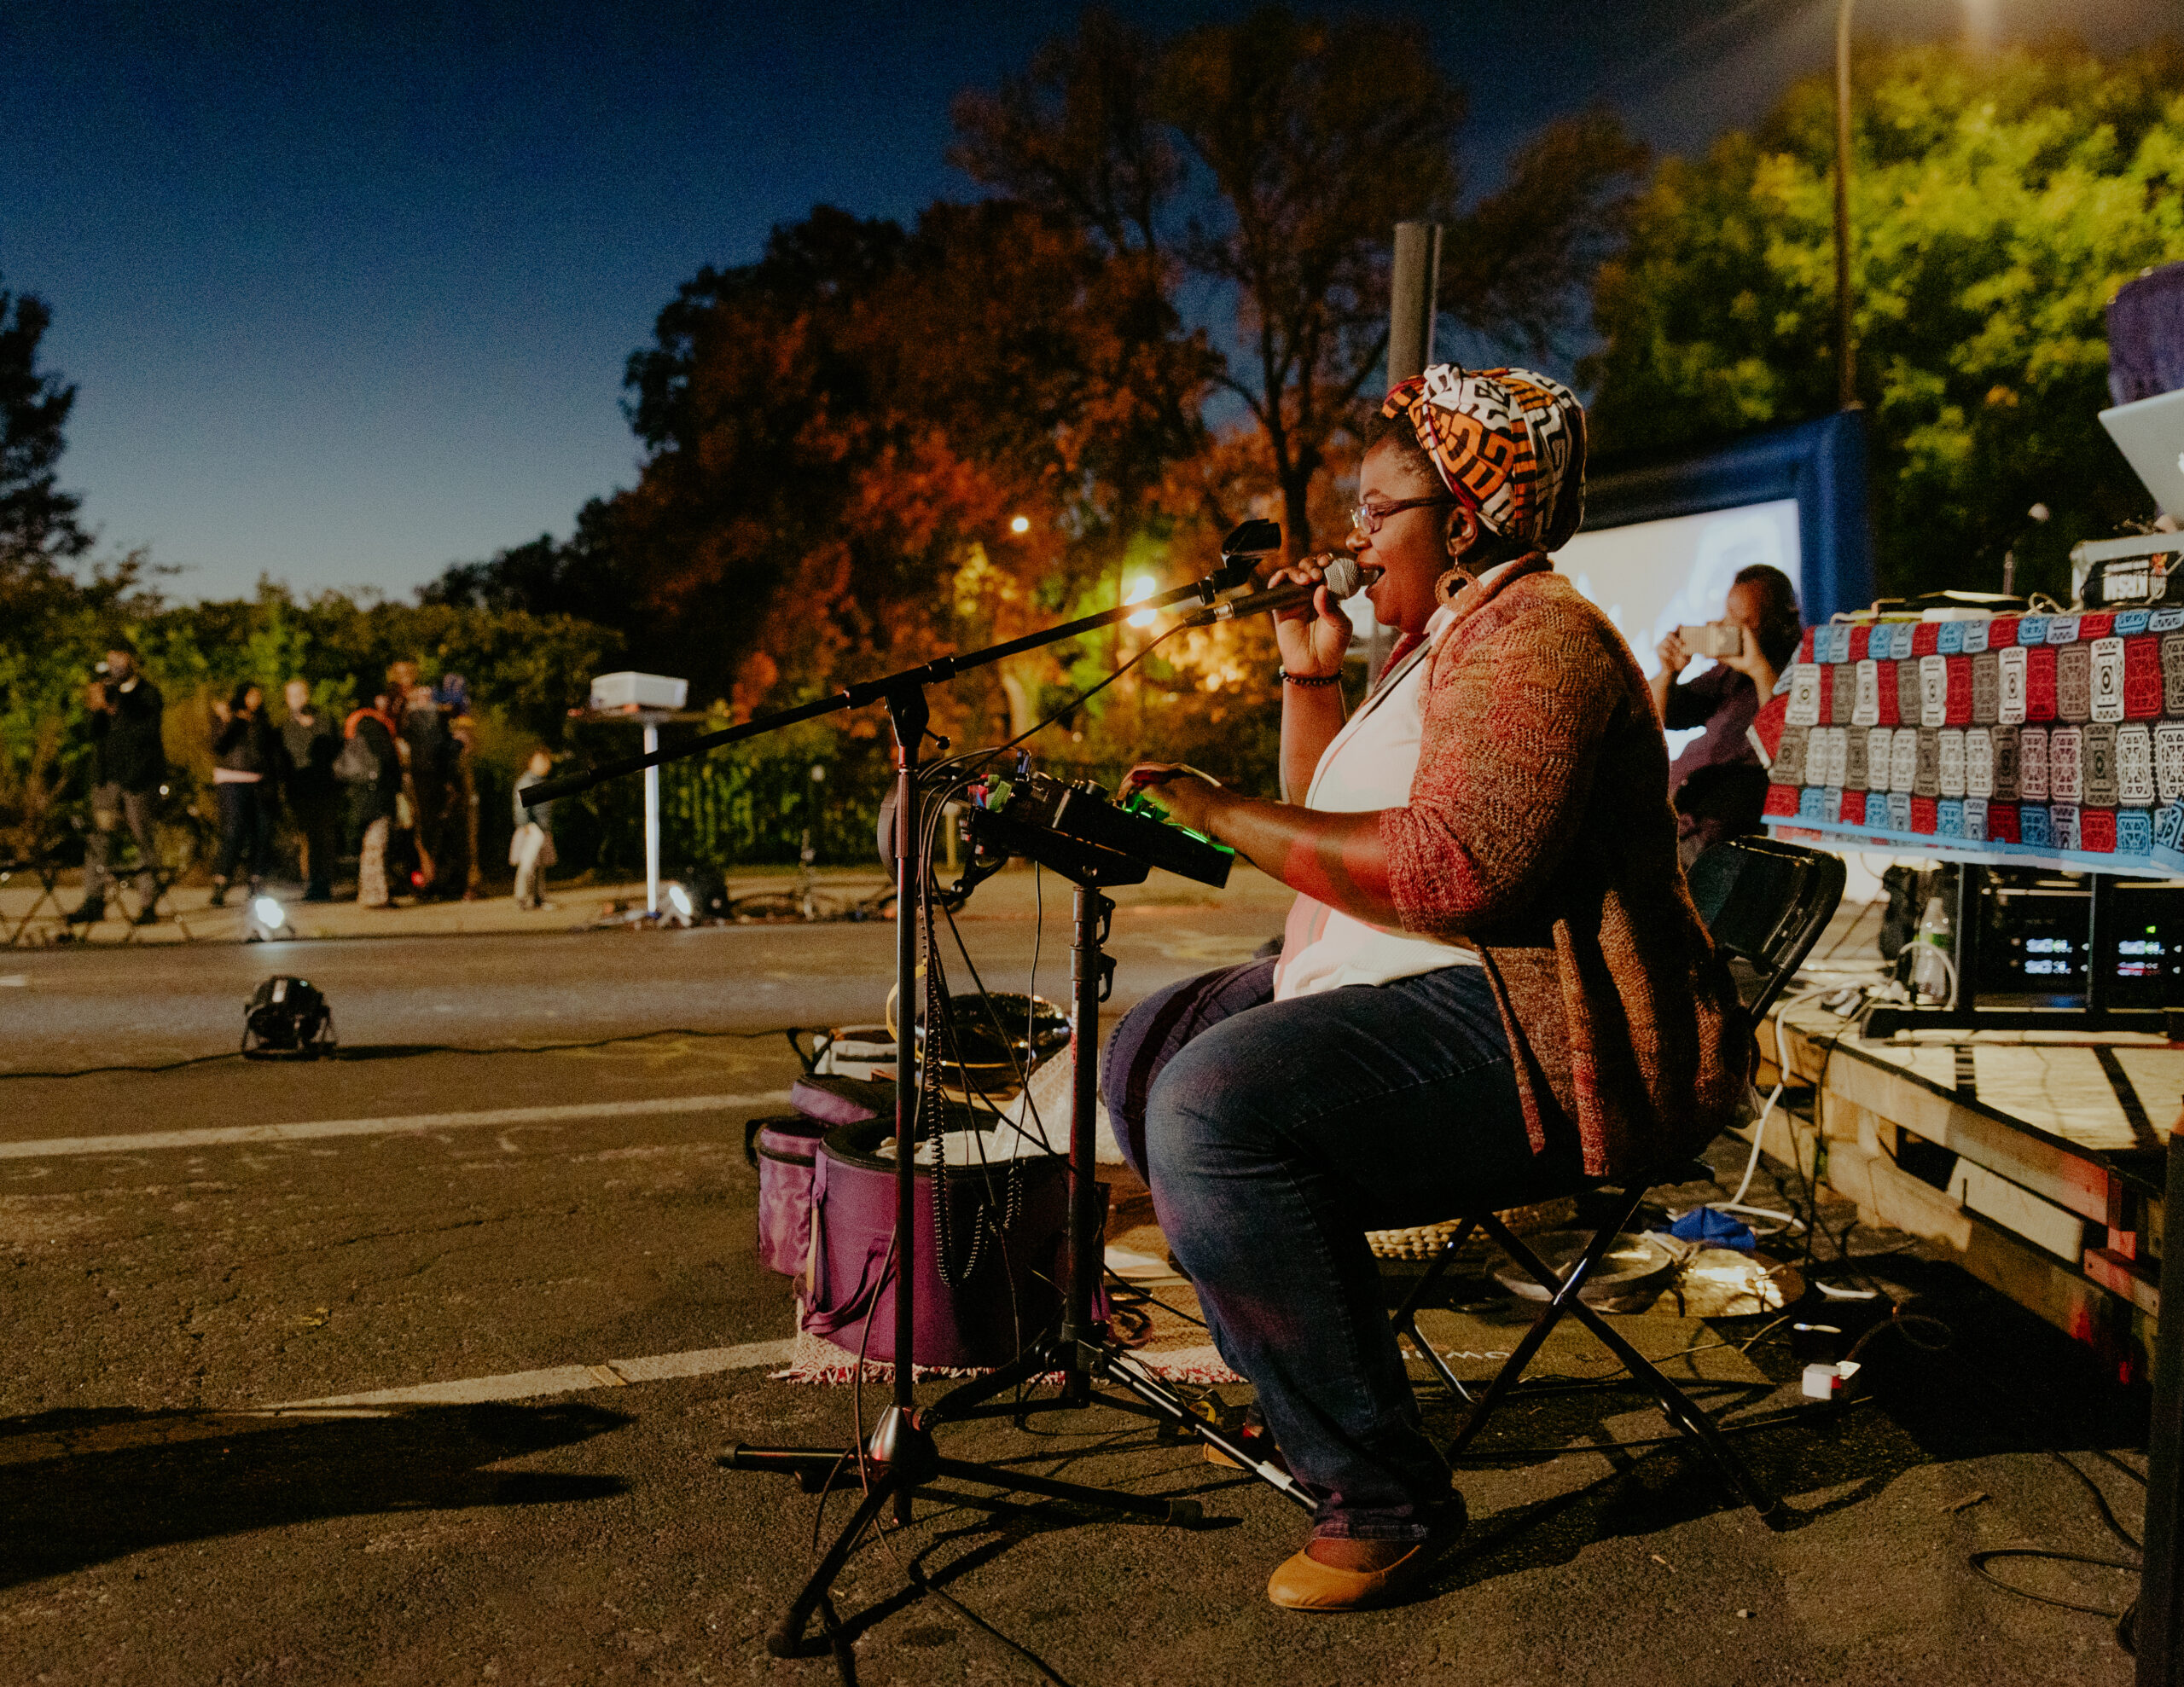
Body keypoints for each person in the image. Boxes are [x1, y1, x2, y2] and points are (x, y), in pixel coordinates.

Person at [1102, 364, 1743, 1612]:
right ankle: (1298, 1358)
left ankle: (1383, 1492)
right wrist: (1306, 672)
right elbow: (1338, 823)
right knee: (1147, 1049)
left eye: (1376, 507)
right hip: (1412, 982)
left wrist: (1222, 810)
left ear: (1470, 516)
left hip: (1537, 1026)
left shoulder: (1541, 636)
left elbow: (1456, 867)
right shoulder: (1436, 646)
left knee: (1212, 1105)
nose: (1350, 538)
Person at [1651, 565, 1804, 867]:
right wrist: (1667, 671)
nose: (1725, 626)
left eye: (1742, 621)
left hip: (1714, 840)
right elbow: (1658, 720)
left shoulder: (1801, 674)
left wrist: (1759, 670)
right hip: (1674, 820)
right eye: (1726, 615)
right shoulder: (1728, 675)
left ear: (1779, 623)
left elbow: (1787, 753)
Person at [66, 640, 166, 926]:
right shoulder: (106, 691)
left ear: (132, 659)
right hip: (107, 779)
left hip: (138, 780)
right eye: (110, 659)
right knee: (99, 838)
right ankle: (93, 900)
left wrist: (113, 707)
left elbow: (145, 732)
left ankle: (148, 904)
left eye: (120, 658)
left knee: (142, 839)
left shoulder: (148, 694)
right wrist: (96, 707)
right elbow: (91, 733)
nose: (115, 665)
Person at [208, 681, 276, 907]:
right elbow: (218, 745)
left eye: (258, 696)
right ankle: (221, 882)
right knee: (234, 830)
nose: (256, 700)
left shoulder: (261, 722)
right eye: (252, 695)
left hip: (258, 782)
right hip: (231, 780)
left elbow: (269, 753)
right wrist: (229, 722)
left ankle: (257, 881)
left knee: (262, 832)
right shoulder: (228, 718)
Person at [276, 678, 340, 901]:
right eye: (292, 695)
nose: (297, 700)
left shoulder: (325, 720)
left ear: (308, 694)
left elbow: (337, 749)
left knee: (324, 836)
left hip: (324, 788)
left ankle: (325, 882)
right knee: (307, 839)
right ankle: (312, 883)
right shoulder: (285, 727)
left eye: (300, 694)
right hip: (300, 790)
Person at [341, 687, 402, 908]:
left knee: (370, 846)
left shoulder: (356, 721)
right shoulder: (372, 723)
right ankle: (375, 895)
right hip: (376, 793)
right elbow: (386, 757)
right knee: (376, 846)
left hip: (362, 791)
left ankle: (370, 893)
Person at [509, 748, 558, 909]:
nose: (545, 764)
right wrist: (526, 825)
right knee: (527, 864)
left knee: (539, 866)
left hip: (542, 830)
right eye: (540, 760)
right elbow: (520, 806)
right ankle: (522, 897)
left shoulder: (542, 781)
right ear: (531, 763)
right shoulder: (527, 782)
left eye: (546, 760)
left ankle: (538, 898)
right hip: (531, 830)